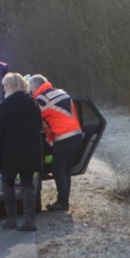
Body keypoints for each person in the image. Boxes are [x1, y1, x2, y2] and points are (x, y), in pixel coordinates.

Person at [28, 73, 82, 212]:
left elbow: (38, 122)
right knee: (65, 169)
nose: (31, 92)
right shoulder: (61, 92)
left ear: (35, 86)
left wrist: (49, 141)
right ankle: (64, 201)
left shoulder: (40, 99)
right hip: (76, 133)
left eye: (31, 89)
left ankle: (62, 202)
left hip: (64, 136)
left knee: (57, 168)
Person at [0, 72, 44, 231]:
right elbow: (39, 125)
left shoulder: (7, 104)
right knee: (27, 184)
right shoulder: (32, 102)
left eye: (4, 86)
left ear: (10, 86)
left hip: (11, 150)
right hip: (30, 149)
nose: (3, 89)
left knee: (7, 182)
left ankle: (11, 219)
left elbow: (1, 127)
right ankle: (29, 220)